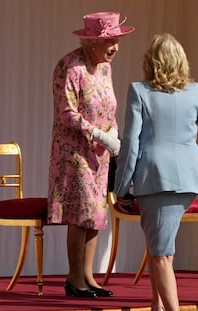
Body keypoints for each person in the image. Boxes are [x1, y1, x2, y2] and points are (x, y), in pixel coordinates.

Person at [114, 33, 198, 311]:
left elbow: (131, 143)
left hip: (156, 180)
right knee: (163, 250)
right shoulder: (196, 91)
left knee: (159, 254)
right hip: (188, 179)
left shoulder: (139, 91)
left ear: (150, 62)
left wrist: (121, 187)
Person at [47, 11, 134, 298]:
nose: (115, 48)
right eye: (110, 41)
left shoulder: (105, 68)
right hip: (74, 154)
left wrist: (115, 137)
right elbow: (67, 112)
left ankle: (88, 276)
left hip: (100, 153)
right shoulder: (70, 67)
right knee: (80, 213)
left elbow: (108, 107)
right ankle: (74, 279)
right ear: (93, 41)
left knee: (96, 214)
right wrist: (97, 134)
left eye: (117, 41)